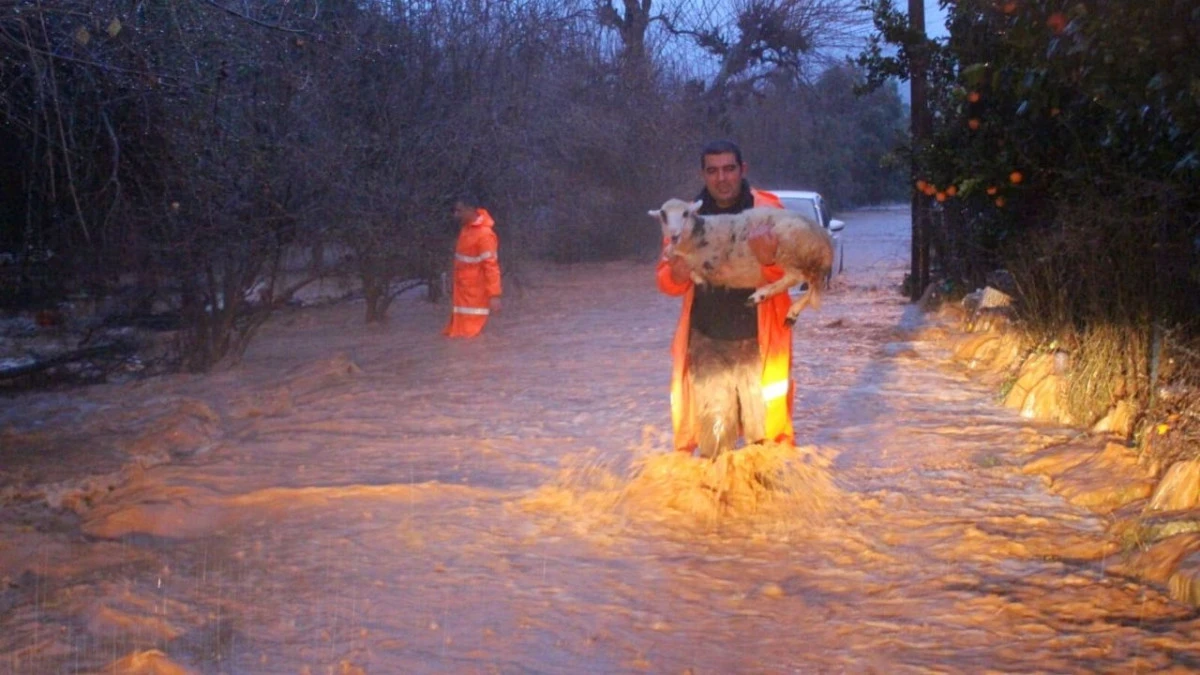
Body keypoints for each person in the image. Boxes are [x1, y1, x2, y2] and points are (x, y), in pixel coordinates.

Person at [656, 140, 796, 458]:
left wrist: (769, 261)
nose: (722, 178)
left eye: (729, 169)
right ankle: (717, 489)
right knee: (715, 446)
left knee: (767, 448)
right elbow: (666, 282)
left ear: (742, 170)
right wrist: (676, 274)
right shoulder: (681, 216)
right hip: (707, 342)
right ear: (703, 174)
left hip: (760, 344)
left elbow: (794, 272)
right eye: (713, 171)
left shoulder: (768, 211)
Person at [443, 196, 502, 338]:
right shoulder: (467, 229)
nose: (456, 215)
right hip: (463, 292)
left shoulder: (485, 235)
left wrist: (494, 295)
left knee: (471, 336)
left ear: (470, 209)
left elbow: (491, 267)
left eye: (460, 211)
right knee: (459, 335)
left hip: (475, 295)